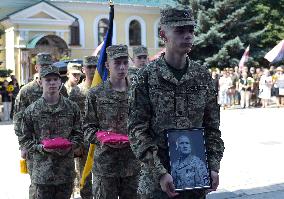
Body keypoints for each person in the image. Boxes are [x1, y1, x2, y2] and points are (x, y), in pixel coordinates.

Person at [128, 5, 224, 199]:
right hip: (157, 183)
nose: (187, 35)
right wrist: (160, 172)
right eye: (180, 30)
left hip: (195, 180)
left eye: (191, 30)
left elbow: (212, 128)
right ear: (163, 34)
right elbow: (137, 130)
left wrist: (213, 166)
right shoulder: (146, 77)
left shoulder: (202, 76)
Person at [83, 45, 140, 199]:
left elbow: (145, 124)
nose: (122, 67)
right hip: (105, 166)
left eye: (125, 62)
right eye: (117, 63)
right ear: (107, 65)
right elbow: (88, 128)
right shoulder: (95, 93)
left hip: (133, 165)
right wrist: (102, 138)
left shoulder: (138, 93)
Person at [19, 65, 83, 199]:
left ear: (60, 82)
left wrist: (71, 145)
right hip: (42, 172)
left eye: (55, 79)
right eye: (48, 80)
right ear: (41, 82)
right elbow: (25, 139)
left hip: (65, 171)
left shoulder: (72, 108)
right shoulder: (31, 110)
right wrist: (40, 148)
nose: (52, 83)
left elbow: (79, 133)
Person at [13, 53, 68, 199]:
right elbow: (19, 119)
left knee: (61, 181)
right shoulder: (26, 91)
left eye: (49, 66)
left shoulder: (60, 89)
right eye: (43, 66)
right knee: (37, 184)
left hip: (60, 145)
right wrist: (23, 145)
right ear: (36, 67)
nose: (46, 68)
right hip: (36, 146)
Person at [69, 55, 98, 199]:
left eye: (95, 66)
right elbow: (72, 118)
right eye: (89, 67)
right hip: (83, 141)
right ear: (83, 69)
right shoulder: (76, 91)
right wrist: (76, 143)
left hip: (100, 140)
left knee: (101, 177)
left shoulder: (103, 89)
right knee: (84, 177)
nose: (92, 70)